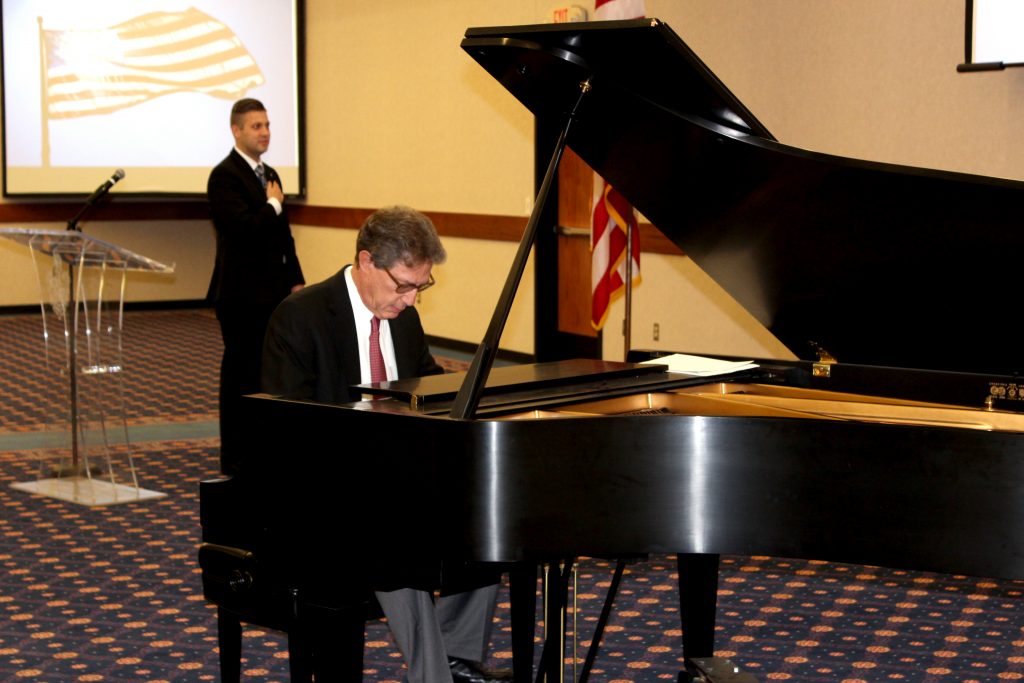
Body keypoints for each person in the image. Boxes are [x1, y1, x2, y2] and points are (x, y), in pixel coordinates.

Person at [261, 206, 508, 683]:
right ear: (366, 261)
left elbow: (428, 394)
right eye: (403, 286)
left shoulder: (403, 320)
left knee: (489, 521)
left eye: (422, 287)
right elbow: (287, 431)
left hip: (401, 480)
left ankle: (456, 654)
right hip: (327, 492)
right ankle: (432, 677)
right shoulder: (301, 317)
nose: (412, 300)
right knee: (398, 536)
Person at [207, 98, 304, 475]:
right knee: (240, 378)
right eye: (256, 126)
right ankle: (234, 457)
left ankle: (263, 448)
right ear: (237, 131)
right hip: (241, 297)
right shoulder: (225, 175)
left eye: (267, 125)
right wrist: (274, 206)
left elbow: (283, 236)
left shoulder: (270, 173)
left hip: (274, 294)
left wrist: (296, 279)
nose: (264, 133)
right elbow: (242, 229)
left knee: (270, 376)